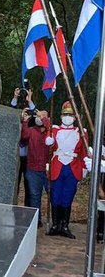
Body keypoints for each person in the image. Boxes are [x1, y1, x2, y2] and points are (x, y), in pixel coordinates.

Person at [45, 101, 89, 239]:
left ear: (75, 117)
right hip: (57, 165)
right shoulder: (54, 129)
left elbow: (84, 152)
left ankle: (64, 225)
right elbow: (47, 148)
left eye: (70, 114)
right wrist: (49, 142)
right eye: (65, 114)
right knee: (55, 196)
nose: (67, 117)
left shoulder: (82, 132)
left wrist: (84, 168)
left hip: (73, 167)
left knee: (68, 196)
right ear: (61, 116)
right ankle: (55, 225)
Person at [21, 109, 51, 227]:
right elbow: (23, 135)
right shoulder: (32, 131)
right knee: (35, 196)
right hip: (33, 170)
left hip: (50, 171)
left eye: (44, 115)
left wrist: (42, 116)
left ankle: (57, 223)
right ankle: (36, 221)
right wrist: (25, 121)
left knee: (54, 196)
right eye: (39, 115)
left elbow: (48, 124)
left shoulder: (52, 131)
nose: (40, 117)